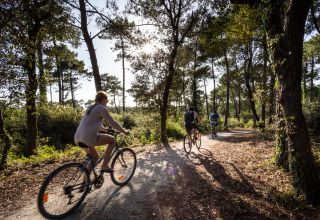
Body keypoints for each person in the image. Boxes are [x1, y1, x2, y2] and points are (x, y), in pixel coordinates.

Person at [74, 91, 129, 174]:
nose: (107, 103)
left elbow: (91, 122)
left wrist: (103, 129)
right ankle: (104, 165)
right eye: (107, 101)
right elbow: (113, 123)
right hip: (88, 138)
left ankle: (84, 185)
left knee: (94, 157)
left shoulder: (90, 107)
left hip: (77, 138)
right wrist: (123, 131)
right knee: (113, 140)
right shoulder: (102, 108)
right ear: (103, 100)